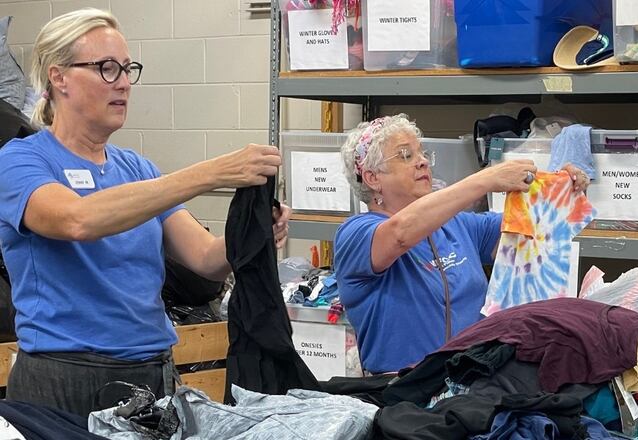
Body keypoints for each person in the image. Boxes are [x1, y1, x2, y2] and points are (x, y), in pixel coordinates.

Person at [0, 8, 289, 416]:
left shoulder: (137, 169)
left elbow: (205, 259)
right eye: (106, 68)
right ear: (58, 75)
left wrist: (252, 233)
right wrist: (210, 173)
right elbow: (75, 220)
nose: (122, 83)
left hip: (152, 375)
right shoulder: (20, 161)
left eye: (127, 69)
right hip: (64, 380)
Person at [334, 114, 590, 374]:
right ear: (372, 177)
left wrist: (562, 189)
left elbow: (535, 228)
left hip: (472, 386)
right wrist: (486, 179)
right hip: (402, 395)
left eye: (422, 153)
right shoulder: (356, 235)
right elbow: (400, 233)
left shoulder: (457, 226)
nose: (422, 161)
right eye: (405, 155)